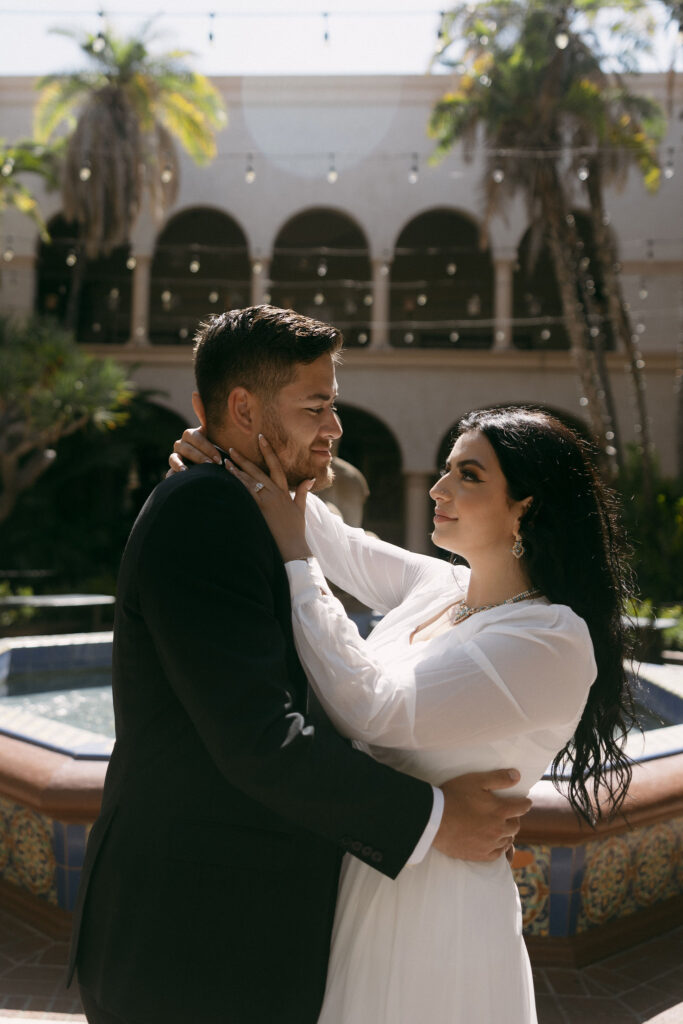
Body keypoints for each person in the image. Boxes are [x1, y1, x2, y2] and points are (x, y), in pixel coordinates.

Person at [68, 306, 532, 1024]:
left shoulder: (247, 500)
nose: (335, 428)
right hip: (194, 938)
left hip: (229, 926)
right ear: (243, 407)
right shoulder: (206, 512)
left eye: (333, 404)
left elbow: (342, 550)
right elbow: (259, 740)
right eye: (315, 406)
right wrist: (435, 820)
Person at [174, 402, 636, 1023]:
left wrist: (295, 564)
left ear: (527, 504)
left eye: (469, 475)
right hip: (366, 878)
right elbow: (340, 543)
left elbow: (371, 711)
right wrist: (231, 457)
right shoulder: (444, 590)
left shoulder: (549, 638)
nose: (439, 488)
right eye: (446, 469)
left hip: (439, 912)